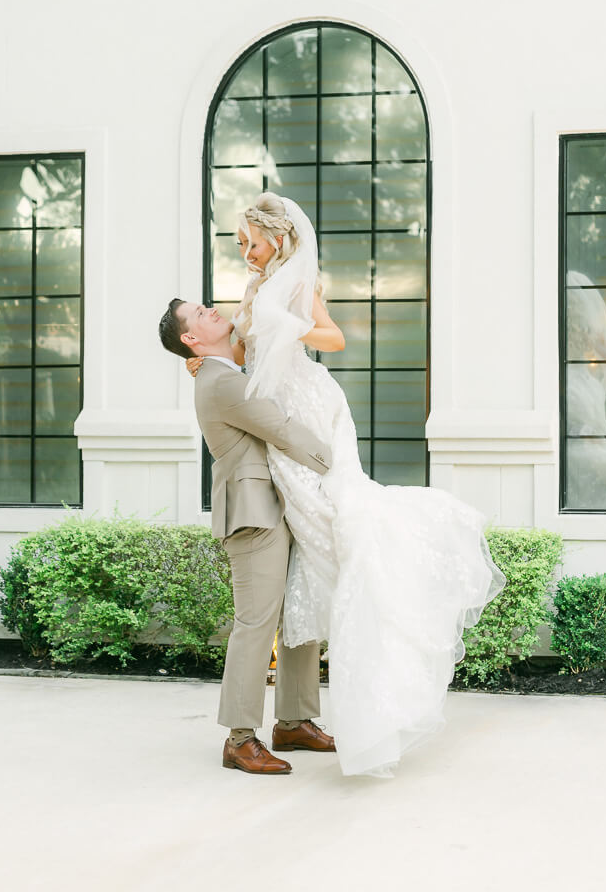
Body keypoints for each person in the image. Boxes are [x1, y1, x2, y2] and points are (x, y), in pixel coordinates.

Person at [189, 192, 506, 778]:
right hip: (279, 430)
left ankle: (296, 717)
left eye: (248, 241)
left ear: (276, 238)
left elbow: (332, 340)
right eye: (239, 243)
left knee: (330, 548)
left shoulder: (296, 283)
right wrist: (214, 354)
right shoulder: (254, 290)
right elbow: (238, 351)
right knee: (307, 573)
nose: (243, 251)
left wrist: (290, 326)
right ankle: (256, 730)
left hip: (306, 409)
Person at [158, 297, 337, 775]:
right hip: (254, 512)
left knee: (296, 609)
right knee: (256, 622)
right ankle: (239, 739)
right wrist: (339, 468)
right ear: (191, 340)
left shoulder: (228, 368)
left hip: (286, 503)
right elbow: (280, 429)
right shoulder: (219, 382)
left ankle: (294, 721)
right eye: (197, 315)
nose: (208, 310)